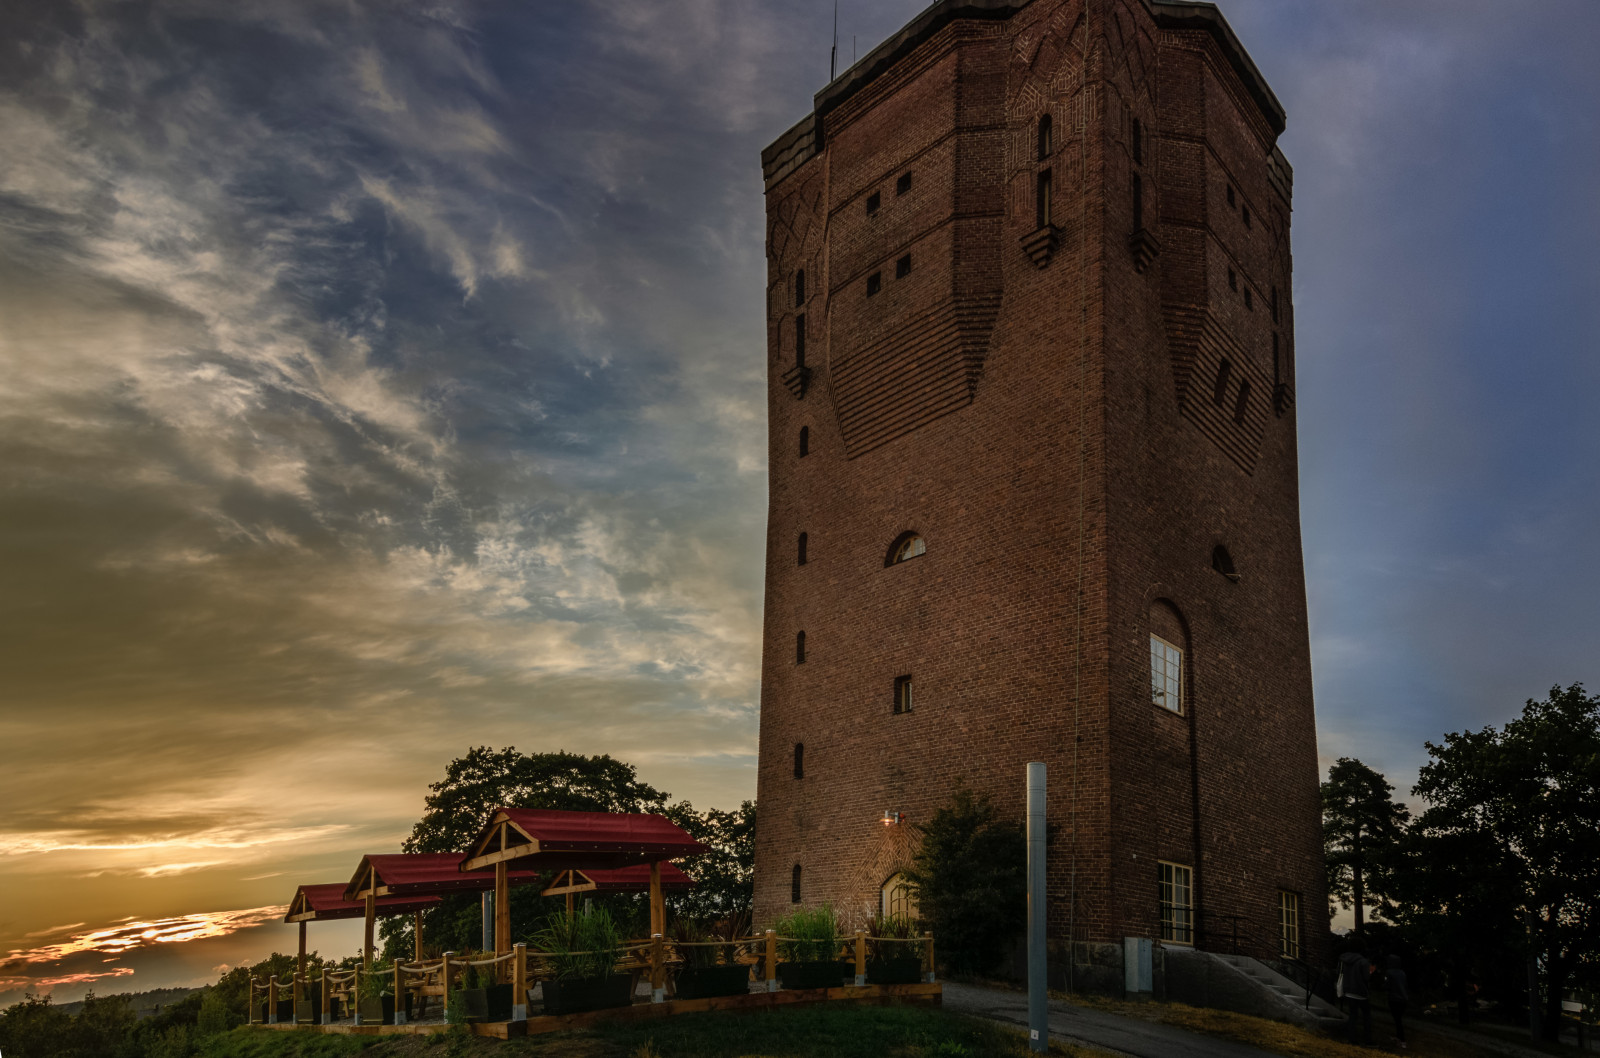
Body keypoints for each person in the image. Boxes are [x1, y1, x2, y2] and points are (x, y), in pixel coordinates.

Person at [1339, 947, 1374, 1047]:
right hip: (1361, 992)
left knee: (1353, 1015)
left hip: (1349, 991)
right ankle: (1368, 1040)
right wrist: (1371, 971)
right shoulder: (1363, 962)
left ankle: (1352, 1039)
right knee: (1366, 1017)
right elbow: (1366, 977)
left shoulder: (1345, 960)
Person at [1386, 954, 1409, 1050]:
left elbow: (1388, 985)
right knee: (1398, 1019)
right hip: (1403, 999)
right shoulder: (1402, 973)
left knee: (1397, 1020)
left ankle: (1402, 1041)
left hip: (1394, 999)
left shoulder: (1389, 972)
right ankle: (1399, 1038)